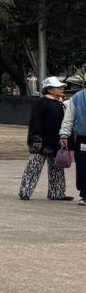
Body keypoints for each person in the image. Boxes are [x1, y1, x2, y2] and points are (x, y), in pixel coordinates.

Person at [20, 76, 69, 202]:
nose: (62, 89)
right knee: (34, 167)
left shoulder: (61, 103)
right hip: (41, 142)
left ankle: (57, 193)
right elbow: (35, 121)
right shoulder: (41, 103)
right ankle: (25, 191)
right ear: (50, 89)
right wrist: (35, 139)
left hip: (56, 142)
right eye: (59, 87)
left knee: (57, 168)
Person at [61, 77, 86, 205]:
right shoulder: (78, 98)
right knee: (82, 166)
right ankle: (84, 194)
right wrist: (64, 135)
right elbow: (69, 118)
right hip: (83, 138)